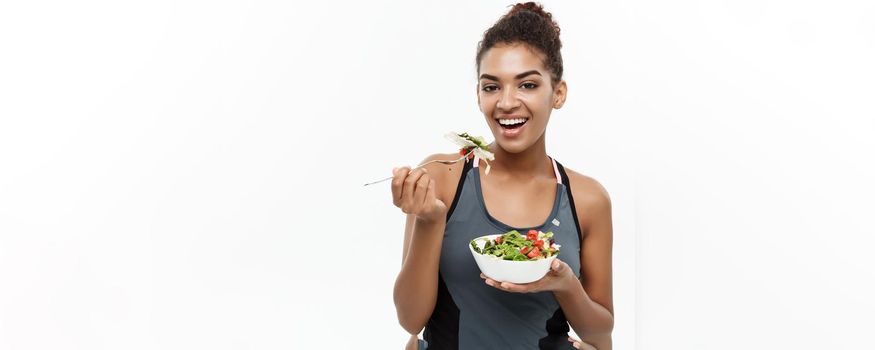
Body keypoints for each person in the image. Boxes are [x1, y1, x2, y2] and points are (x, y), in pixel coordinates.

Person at [391, 3, 614, 349]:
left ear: (558, 93)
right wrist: (429, 220)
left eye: (527, 85)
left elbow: (601, 336)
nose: (507, 102)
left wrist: (566, 283)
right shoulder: (442, 176)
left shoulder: (587, 199)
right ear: (478, 95)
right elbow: (410, 319)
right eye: (491, 87)